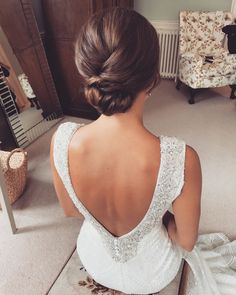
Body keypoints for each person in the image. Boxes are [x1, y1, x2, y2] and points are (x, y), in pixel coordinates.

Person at [50, 7, 236, 295]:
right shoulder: (181, 159)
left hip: (95, 261)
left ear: (87, 71)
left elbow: (71, 211)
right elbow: (186, 241)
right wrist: (156, 213)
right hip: (152, 274)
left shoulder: (61, 140)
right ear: (153, 79)